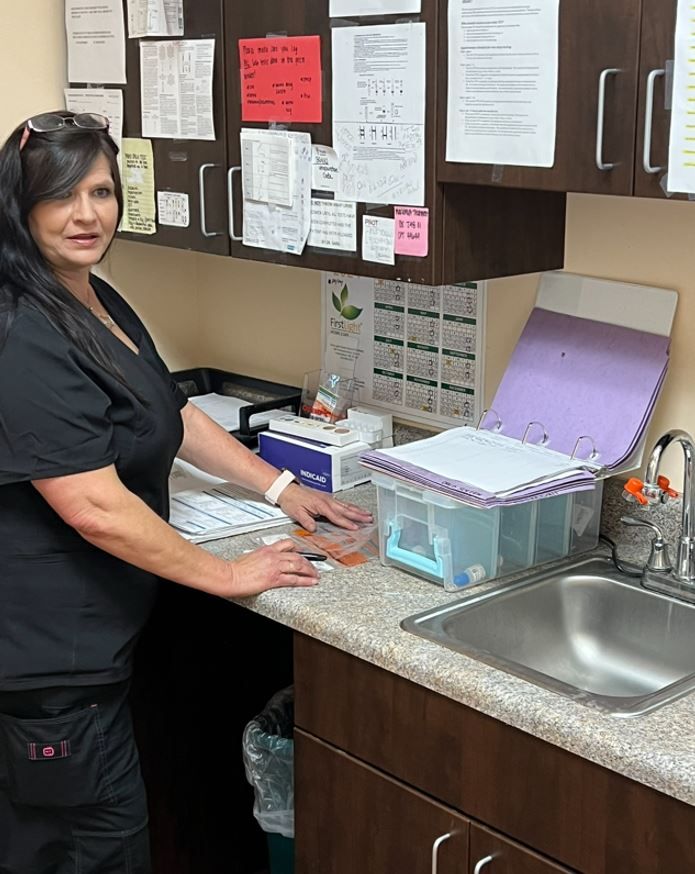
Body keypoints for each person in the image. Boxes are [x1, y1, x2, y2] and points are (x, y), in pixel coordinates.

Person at [0, 110, 372, 874]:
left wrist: (278, 485)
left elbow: (167, 407)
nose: (85, 214)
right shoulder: (22, 328)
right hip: (50, 669)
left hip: (99, 638)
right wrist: (232, 575)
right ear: (19, 205)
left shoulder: (88, 294)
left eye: (100, 192)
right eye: (59, 195)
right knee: (97, 852)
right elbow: (94, 508)